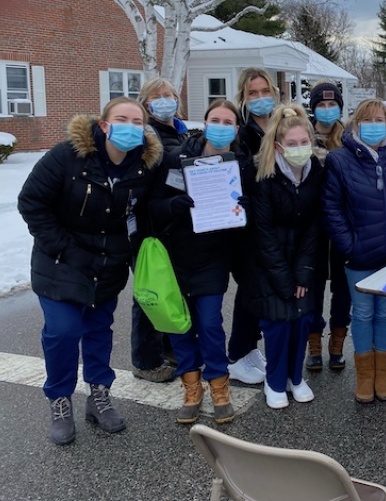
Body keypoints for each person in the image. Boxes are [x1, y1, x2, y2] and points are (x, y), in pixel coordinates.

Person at [18, 97, 162, 445]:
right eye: (121, 119)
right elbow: (31, 202)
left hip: (108, 265)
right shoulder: (68, 156)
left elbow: (143, 214)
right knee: (63, 332)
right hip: (61, 263)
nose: (130, 126)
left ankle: (99, 395)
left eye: (137, 121)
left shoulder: (143, 166)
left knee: (99, 332)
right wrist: (62, 248)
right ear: (103, 124)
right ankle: (60, 400)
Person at [150, 99, 248, 424]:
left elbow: (252, 219)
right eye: (215, 119)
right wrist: (172, 206)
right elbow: (153, 205)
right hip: (177, 256)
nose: (220, 126)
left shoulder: (240, 163)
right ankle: (191, 386)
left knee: (208, 323)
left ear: (236, 128)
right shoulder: (177, 158)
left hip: (213, 256)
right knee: (180, 326)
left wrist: (244, 210)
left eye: (228, 121)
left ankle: (219, 385)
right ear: (205, 123)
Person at [324, 98, 386, 403]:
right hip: (359, 255)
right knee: (363, 313)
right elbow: (332, 209)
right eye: (366, 120)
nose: (373, 125)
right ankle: (364, 376)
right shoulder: (339, 160)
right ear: (356, 124)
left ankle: (383, 374)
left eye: (379, 119)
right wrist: (349, 246)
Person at [246, 104, 325, 409]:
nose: (299, 148)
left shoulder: (314, 172)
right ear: (279, 146)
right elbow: (263, 234)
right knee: (278, 325)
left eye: (303, 142)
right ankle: (274, 380)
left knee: (302, 322)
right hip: (270, 265)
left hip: (301, 262)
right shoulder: (263, 175)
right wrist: (284, 280)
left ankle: (296, 376)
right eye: (291, 144)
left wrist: (303, 272)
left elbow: (314, 226)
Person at [129, 77, 191, 383]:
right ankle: (146, 360)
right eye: (157, 96)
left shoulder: (178, 132)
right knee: (149, 293)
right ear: (145, 103)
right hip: (148, 228)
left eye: (170, 95)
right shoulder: (145, 136)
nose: (165, 100)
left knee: (170, 289)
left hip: (172, 226)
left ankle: (170, 349)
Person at [226, 67, 281, 385]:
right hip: (247, 225)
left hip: (277, 221)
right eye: (252, 93)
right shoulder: (240, 133)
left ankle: (249, 348)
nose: (260, 98)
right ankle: (237, 353)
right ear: (243, 97)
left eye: (264, 91)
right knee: (250, 290)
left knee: (264, 290)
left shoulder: (283, 123)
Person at [304, 81, 351, 373]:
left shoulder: (349, 139)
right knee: (313, 287)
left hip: (345, 225)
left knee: (343, 290)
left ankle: (337, 343)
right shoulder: (302, 138)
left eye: (332, 104)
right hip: (313, 226)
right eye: (320, 104)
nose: (326, 109)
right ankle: (314, 345)